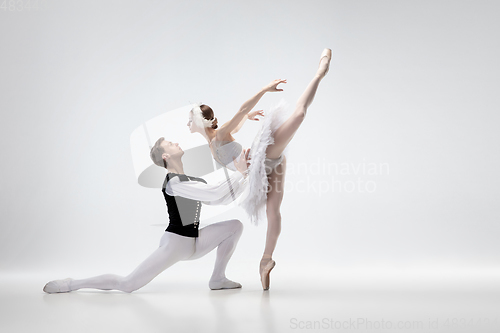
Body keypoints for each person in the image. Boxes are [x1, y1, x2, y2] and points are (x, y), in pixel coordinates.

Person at [188, 48, 332, 290]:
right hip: (261, 170)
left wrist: (264, 90)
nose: (187, 123)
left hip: (261, 156)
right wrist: (248, 118)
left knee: (298, 115)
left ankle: (320, 72)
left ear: (201, 122)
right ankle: (266, 261)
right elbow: (240, 121)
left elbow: (240, 111)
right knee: (274, 212)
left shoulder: (220, 134)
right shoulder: (216, 141)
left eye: (190, 119)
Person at [43, 139, 250, 293]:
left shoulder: (192, 181)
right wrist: (239, 173)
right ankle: (71, 284)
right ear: (165, 157)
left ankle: (217, 278)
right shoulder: (173, 182)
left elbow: (218, 199)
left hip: (194, 242)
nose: (175, 142)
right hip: (175, 244)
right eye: (170, 143)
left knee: (235, 227)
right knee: (127, 284)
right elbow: (213, 192)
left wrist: (246, 175)